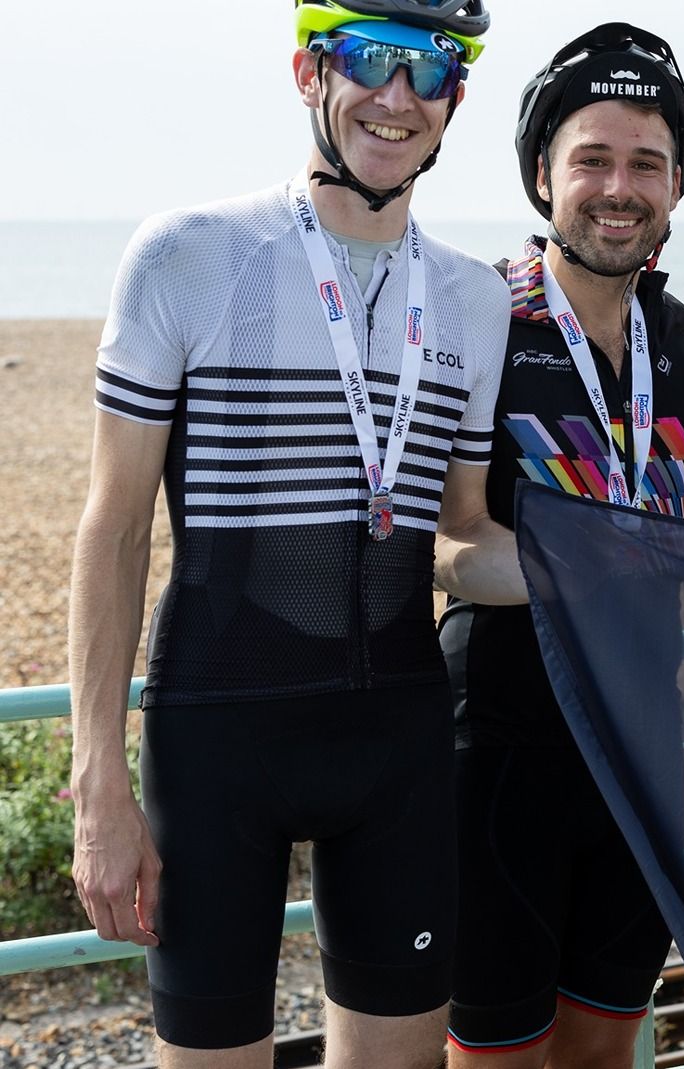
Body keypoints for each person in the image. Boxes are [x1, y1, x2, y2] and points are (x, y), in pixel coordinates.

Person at [67, 1, 508, 1064]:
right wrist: (97, 788)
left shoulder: (475, 298)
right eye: (370, 60)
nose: (397, 98)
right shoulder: (188, 252)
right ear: (310, 69)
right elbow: (115, 528)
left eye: (431, 71)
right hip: (219, 738)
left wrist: (618, 574)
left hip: (398, 744)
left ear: (456, 99)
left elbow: (460, 534)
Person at [430, 23, 684, 1068]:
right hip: (502, 750)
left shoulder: (673, 335)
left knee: (601, 1051)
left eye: (647, 163)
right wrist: (592, 564)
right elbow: (447, 548)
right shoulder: (478, 313)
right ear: (543, 174)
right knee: (498, 1058)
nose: (617, 187)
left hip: (642, 757)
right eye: (592, 158)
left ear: (676, 187)